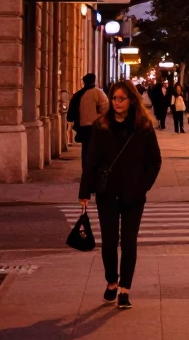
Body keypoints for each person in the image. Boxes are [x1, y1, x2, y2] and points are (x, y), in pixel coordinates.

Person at [79, 79, 162, 309]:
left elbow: (154, 161)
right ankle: (111, 282)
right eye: (114, 98)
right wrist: (84, 191)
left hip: (133, 195)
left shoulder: (143, 126)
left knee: (128, 242)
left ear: (131, 100)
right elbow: (91, 161)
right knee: (108, 243)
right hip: (107, 193)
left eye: (121, 98)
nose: (116, 102)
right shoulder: (101, 125)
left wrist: (142, 186)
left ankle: (125, 289)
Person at [67, 73, 109, 164]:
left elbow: (71, 111)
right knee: (95, 149)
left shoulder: (79, 94)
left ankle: (85, 168)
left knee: (85, 149)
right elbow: (105, 107)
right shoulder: (98, 92)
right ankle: (91, 170)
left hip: (83, 126)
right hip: (95, 126)